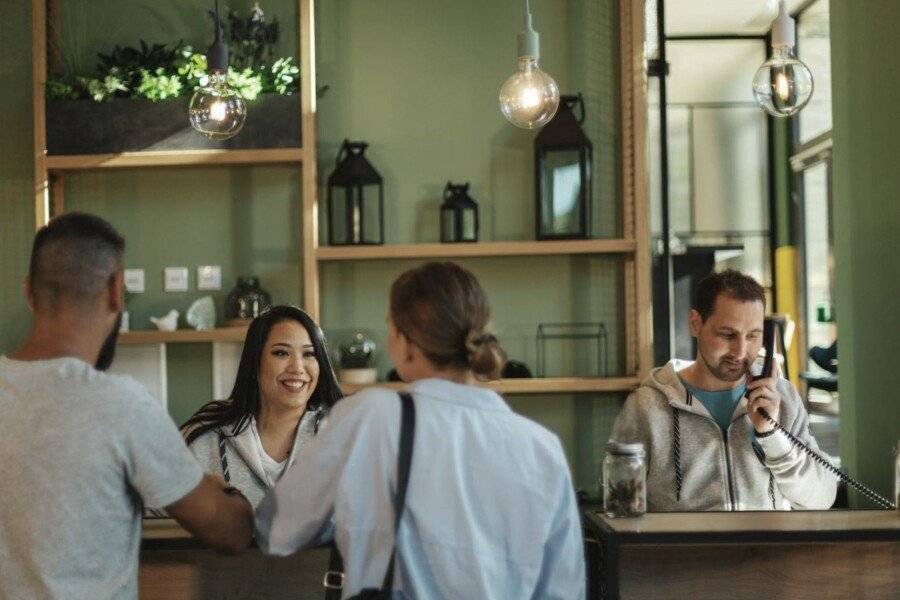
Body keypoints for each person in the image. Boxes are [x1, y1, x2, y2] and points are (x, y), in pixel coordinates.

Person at [254, 261, 586, 598]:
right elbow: (563, 591)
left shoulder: (372, 416)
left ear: (406, 342)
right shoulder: (543, 448)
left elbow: (277, 530)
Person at [0, 212, 253, 600]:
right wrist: (229, 497)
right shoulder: (122, 406)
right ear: (116, 290)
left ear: (28, 292)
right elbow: (228, 532)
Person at [611, 269, 837, 511]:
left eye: (753, 336)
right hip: (686, 549)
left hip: (766, 548)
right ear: (696, 324)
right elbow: (620, 505)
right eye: (728, 335)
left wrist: (773, 436)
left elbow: (821, 500)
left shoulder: (783, 397)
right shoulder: (647, 407)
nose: (740, 352)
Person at [182, 305, 343, 507]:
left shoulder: (342, 434)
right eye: (281, 353)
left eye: (309, 354)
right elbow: (157, 520)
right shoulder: (206, 438)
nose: (297, 368)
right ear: (255, 361)